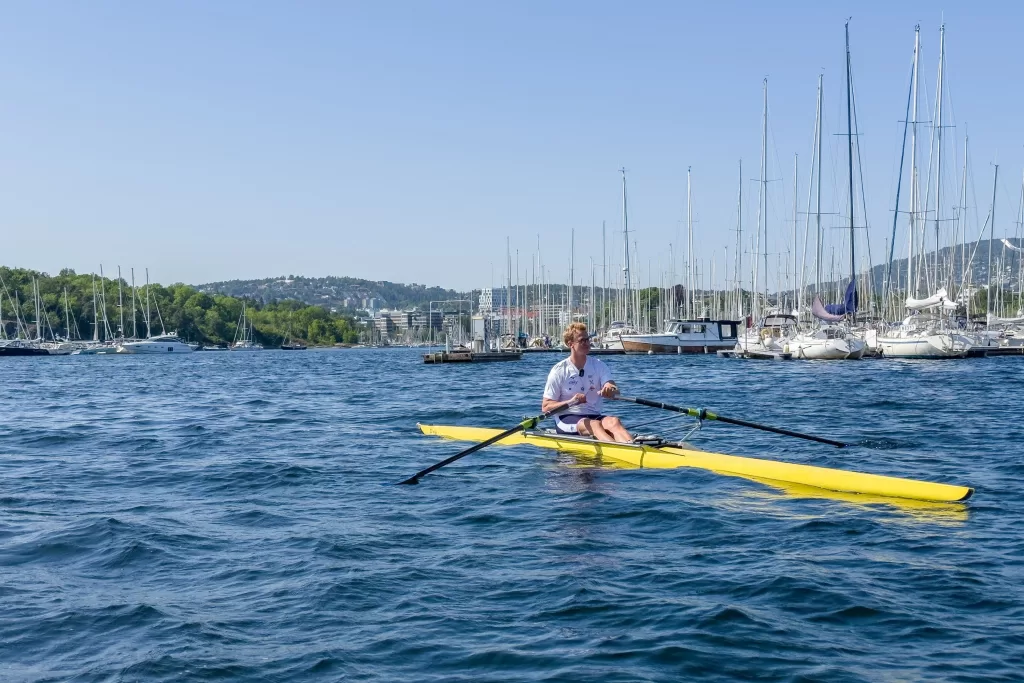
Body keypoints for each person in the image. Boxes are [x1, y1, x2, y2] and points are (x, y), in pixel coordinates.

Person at [541, 322, 632, 443]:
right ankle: (620, 451)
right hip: (566, 418)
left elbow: (612, 386)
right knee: (594, 425)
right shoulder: (559, 370)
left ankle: (633, 447)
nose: (587, 343)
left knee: (614, 421)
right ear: (570, 344)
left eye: (588, 339)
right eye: (582, 340)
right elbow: (546, 406)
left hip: (594, 415)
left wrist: (610, 389)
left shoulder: (599, 365)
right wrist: (571, 401)